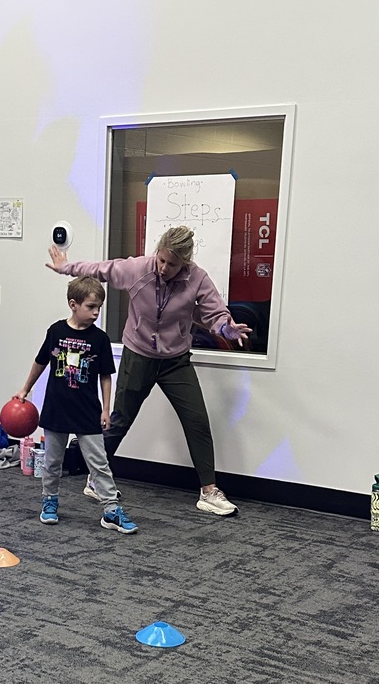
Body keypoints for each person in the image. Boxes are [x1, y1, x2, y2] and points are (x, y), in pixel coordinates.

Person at [46, 225, 251, 516]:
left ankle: (209, 492)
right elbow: (102, 269)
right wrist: (67, 267)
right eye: (162, 260)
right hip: (139, 356)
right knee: (120, 421)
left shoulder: (197, 279)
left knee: (197, 421)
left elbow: (215, 313)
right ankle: (95, 479)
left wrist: (226, 328)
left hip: (176, 361)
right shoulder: (139, 269)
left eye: (173, 264)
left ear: (185, 263)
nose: (165, 267)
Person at [14, 276, 137, 534]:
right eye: (91, 307)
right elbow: (40, 362)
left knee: (99, 462)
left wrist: (105, 409)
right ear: (73, 304)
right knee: (52, 462)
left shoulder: (100, 339)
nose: (96, 312)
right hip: (57, 409)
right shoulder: (56, 331)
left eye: (98, 308)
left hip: (87, 411)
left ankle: (111, 510)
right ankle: (50, 501)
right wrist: (25, 388)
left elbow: (105, 376)